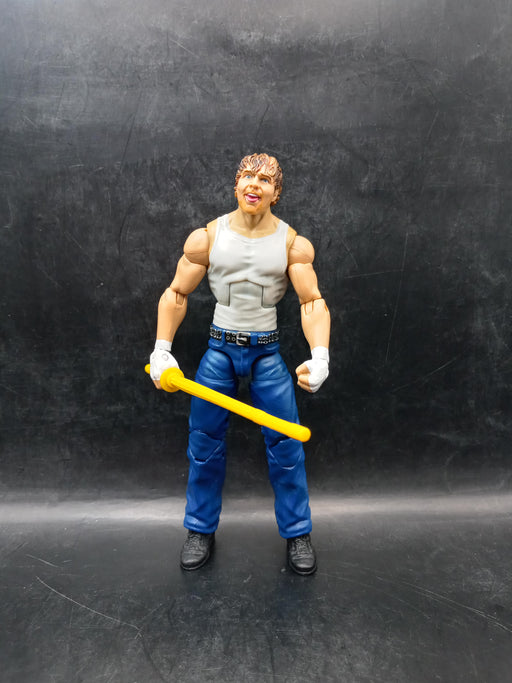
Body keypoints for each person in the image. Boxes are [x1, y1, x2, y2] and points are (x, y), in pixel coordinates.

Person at [149, 153, 330, 575]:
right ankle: (199, 529)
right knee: (204, 444)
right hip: (220, 351)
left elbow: (312, 302)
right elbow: (176, 293)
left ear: (276, 192)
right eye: (247, 176)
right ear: (235, 184)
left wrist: (320, 355)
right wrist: (161, 348)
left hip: (266, 353)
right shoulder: (207, 239)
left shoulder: (292, 244)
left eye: (264, 180)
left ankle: (297, 533)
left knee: (286, 446)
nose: (254, 185)